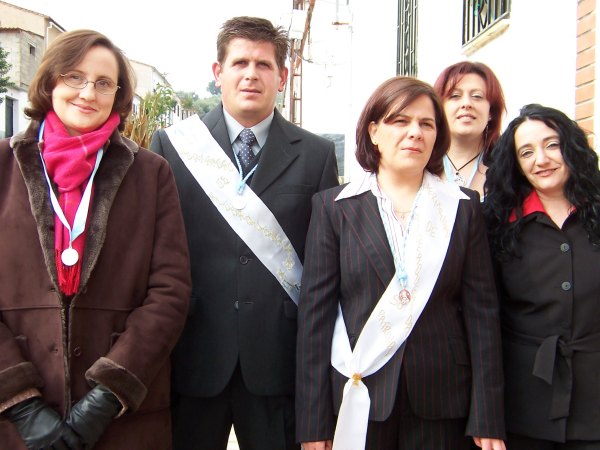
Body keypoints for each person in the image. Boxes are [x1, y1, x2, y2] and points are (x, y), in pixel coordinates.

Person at [150, 16, 339, 450]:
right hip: (194, 351)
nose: (251, 74)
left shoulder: (316, 154)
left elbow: (324, 262)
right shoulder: (172, 146)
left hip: (278, 356)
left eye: (263, 64)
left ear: (281, 77)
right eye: (239, 63)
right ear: (218, 73)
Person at [0, 29, 191, 450]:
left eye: (104, 83)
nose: (88, 93)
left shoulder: (151, 173)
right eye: (74, 77)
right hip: (15, 424)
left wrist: (106, 397)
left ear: (118, 95)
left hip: (122, 420)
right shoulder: (2, 166)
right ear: (50, 80)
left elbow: (170, 292)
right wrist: (21, 404)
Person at [296, 76, 505, 450]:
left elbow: (482, 315)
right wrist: (314, 423)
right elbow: (315, 318)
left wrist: (487, 414)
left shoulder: (462, 207)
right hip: (361, 397)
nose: (415, 133)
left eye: (426, 124)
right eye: (400, 121)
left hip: (442, 402)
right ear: (374, 131)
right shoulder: (334, 208)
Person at [483, 104, 600, 449]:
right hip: (522, 406)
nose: (542, 160)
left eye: (552, 145)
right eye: (527, 152)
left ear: (571, 147)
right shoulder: (496, 225)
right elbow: (484, 316)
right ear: (515, 163)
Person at [434, 61, 505, 198]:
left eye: (477, 96)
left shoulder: (508, 167)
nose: (466, 104)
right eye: (455, 96)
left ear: (491, 111)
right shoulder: (423, 163)